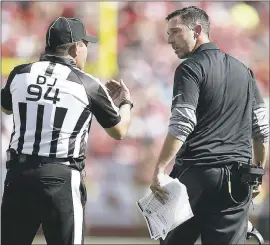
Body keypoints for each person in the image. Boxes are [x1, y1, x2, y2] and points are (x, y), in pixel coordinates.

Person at [1, 17, 133, 245]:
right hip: (61, 178)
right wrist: (126, 103)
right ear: (75, 47)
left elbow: (5, 107)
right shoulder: (88, 84)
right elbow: (119, 131)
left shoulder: (20, 73)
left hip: (19, 175)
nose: (87, 51)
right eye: (86, 45)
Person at [150, 6, 269, 245]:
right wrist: (257, 173)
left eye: (175, 32)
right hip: (236, 180)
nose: (170, 39)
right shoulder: (244, 71)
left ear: (197, 30)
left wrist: (160, 170)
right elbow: (262, 127)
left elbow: (182, 122)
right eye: (168, 34)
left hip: (196, 175)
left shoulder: (190, 68)